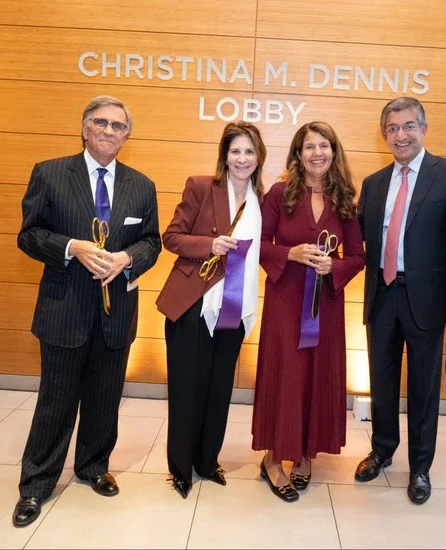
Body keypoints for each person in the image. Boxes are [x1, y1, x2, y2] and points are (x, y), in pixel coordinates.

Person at [12, 95, 161, 526]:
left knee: (104, 399)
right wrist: (71, 248)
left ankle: (93, 466)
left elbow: (152, 241)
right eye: (101, 122)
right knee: (55, 403)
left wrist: (126, 258)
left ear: (127, 136)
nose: (109, 131)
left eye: (118, 126)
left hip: (117, 316)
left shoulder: (141, 185)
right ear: (84, 127)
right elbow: (29, 235)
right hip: (64, 310)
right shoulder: (51, 173)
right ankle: (36, 486)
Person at [355, 97, 446, 505]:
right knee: (382, 381)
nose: (400, 135)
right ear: (384, 134)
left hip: (427, 300)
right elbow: (356, 238)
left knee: (424, 389)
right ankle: (382, 450)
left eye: (408, 126)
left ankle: (421, 467)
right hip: (383, 294)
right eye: (392, 128)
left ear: (423, 128)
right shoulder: (373, 184)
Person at [252, 121, 365, 502]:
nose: (317, 153)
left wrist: (336, 267)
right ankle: (271, 458)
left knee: (317, 377)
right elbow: (257, 244)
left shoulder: (345, 199)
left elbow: (359, 256)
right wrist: (290, 254)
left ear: (334, 151)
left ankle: (304, 453)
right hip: (285, 300)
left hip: (328, 306)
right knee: (285, 375)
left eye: (324, 145)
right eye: (309, 147)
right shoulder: (280, 194)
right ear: (298, 154)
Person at [156, 122, 266, 499]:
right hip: (193, 305)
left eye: (249, 151)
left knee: (219, 389)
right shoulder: (202, 187)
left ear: (258, 157)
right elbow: (171, 237)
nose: (242, 158)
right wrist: (209, 243)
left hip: (235, 311)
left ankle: (207, 461)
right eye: (235, 151)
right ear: (224, 155)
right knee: (188, 389)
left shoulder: (262, 200)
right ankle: (181, 468)